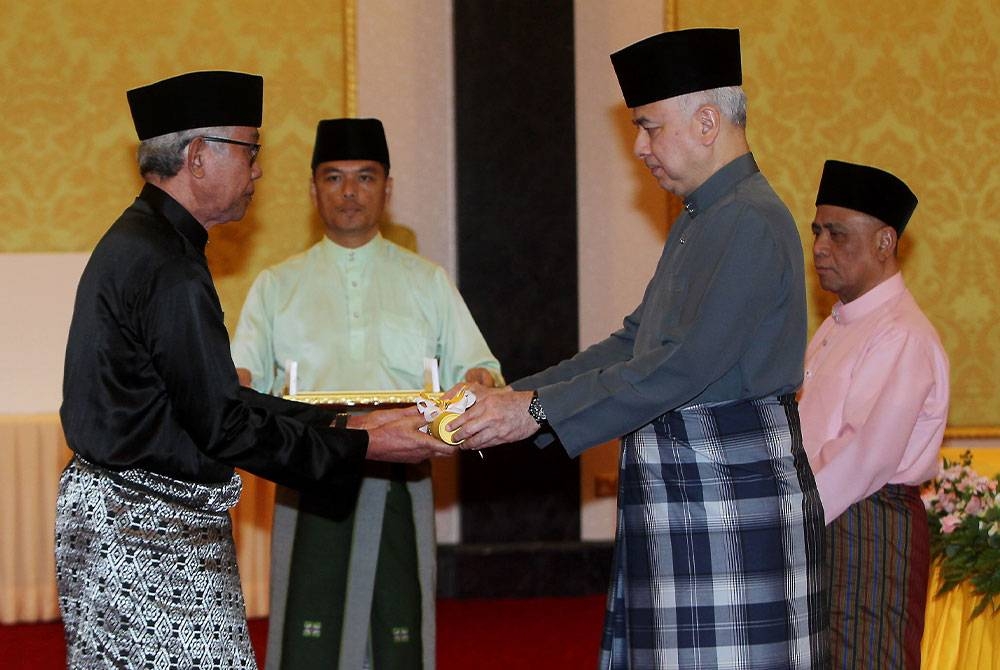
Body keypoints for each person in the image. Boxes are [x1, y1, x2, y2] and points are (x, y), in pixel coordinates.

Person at [451, 29, 828, 669]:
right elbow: (635, 342)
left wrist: (536, 411)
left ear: (707, 121)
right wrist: (519, 397)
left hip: (726, 501)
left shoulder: (746, 218)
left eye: (649, 127)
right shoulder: (704, 216)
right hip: (688, 495)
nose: (638, 147)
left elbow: (682, 366)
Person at [56, 72, 450, 670]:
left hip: (127, 519)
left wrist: (347, 419)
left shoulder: (149, 242)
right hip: (146, 535)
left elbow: (219, 400)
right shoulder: (166, 265)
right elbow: (224, 423)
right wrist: (360, 444)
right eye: (249, 150)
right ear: (197, 157)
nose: (258, 171)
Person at [231, 117, 502, 670]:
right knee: (309, 615)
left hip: (403, 468)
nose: (350, 192)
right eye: (333, 178)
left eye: (365, 177)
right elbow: (245, 377)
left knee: (397, 617)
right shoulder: (276, 285)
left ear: (388, 187)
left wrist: (478, 380)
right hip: (309, 465)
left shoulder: (426, 280)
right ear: (313, 190)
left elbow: (477, 363)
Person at [799, 160, 949, 669]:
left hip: (869, 526)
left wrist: (786, 518)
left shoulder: (900, 334)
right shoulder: (838, 325)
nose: (819, 247)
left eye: (837, 234)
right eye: (817, 231)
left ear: (885, 242)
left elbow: (863, 456)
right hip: (833, 517)